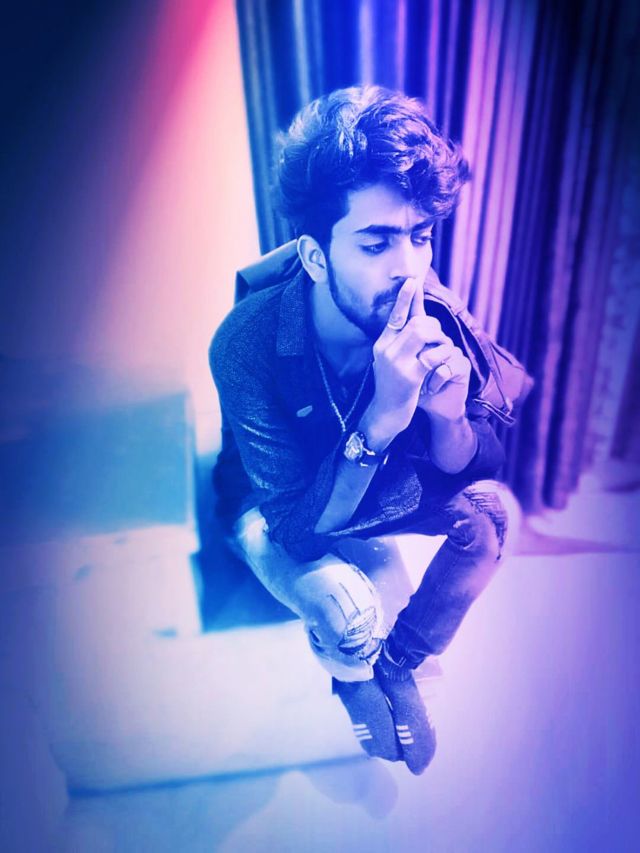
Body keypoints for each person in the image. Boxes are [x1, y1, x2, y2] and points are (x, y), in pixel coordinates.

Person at [209, 85, 518, 775]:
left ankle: (399, 664)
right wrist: (381, 418)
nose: (408, 268)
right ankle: (351, 673)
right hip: (275, 502)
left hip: (368, 488)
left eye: (420, 237)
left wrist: (447, 419)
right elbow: (297, 525)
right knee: (345, 607)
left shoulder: (432, 307)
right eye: (375, 243)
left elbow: (475, 464)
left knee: (492, 522)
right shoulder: (244, 342)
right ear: (316, 257)